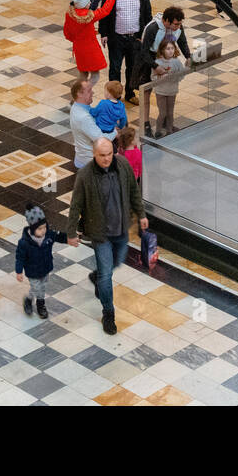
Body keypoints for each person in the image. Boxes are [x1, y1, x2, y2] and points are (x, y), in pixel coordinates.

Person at [66, 138, 147, 336]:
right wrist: (70, 233)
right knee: (106, 275)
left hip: (121, 229)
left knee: (116, 262)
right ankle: (108, 313)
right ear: (94, 154)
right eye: (102, 155)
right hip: (100, 232)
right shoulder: (85, 175)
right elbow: (76, 204)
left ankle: (97, 277)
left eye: (109, 154)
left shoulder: (122, 164)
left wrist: (142, 214)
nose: (106, 159)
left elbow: (133, 191)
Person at [98, 0, 152, 101]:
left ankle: (130, 93)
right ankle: (114, 95)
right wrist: (104, 33)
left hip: (135, 39)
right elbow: (104, 14)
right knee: (115, 68)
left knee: (132, 68)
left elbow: (147, 12)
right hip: (116, 38)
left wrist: (145, 34)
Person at [15, 204, 67, 319]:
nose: (43, 230)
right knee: (37, 287)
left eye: (44, 227)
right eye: (40, 228)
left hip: (45, 267)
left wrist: (70, 239)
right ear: (33, 229)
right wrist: (19, 271)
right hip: (32, 270)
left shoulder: (48, 235)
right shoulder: (24, 243)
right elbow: (20, 257)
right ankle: (40, 304)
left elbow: (60, 237)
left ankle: (30, 299)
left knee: (42, 286)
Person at [64, 0, 116, 85]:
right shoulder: (89, 16)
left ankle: (76, 93)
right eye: (88, 2)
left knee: (83, 74)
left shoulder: (69, 14)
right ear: (84, 4)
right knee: (95, 75)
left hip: (78, 48)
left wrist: (77, 40)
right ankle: (83, 93)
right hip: (91, 49)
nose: (91, 3)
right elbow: (105, 10)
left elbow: (67, 33)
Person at [137, 5, 191, 96]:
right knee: (146, 88)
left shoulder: (178, 27)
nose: (179, 27)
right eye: (176, 24)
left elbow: (182, 42)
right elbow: (144, 51)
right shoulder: (153, 28)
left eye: (180, 24)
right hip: (150, 57)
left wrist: (188, 56)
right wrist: (155, 66)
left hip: (166, 58)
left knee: (166, 87)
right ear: (166, 21)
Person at [149, 36, 186, 138]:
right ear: (162, 50)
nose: (170, 51)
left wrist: (174, 78)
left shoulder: (177, 62)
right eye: (167, 49)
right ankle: (158, 130)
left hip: (172, 91)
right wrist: (161, 78)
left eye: (172, 48)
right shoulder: (157, 63)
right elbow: (153, 77)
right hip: (160, 91)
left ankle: (169, 130)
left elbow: (182, 74)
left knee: (170, 112)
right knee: (163, 112)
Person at [69, 78, 103, 170]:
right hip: (90, 165)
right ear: (79, 94)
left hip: (82, 160)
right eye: (89, 91)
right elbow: (101, 140)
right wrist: (115, 132)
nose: (93, 93)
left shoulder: (76, 107)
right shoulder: (84, 117)